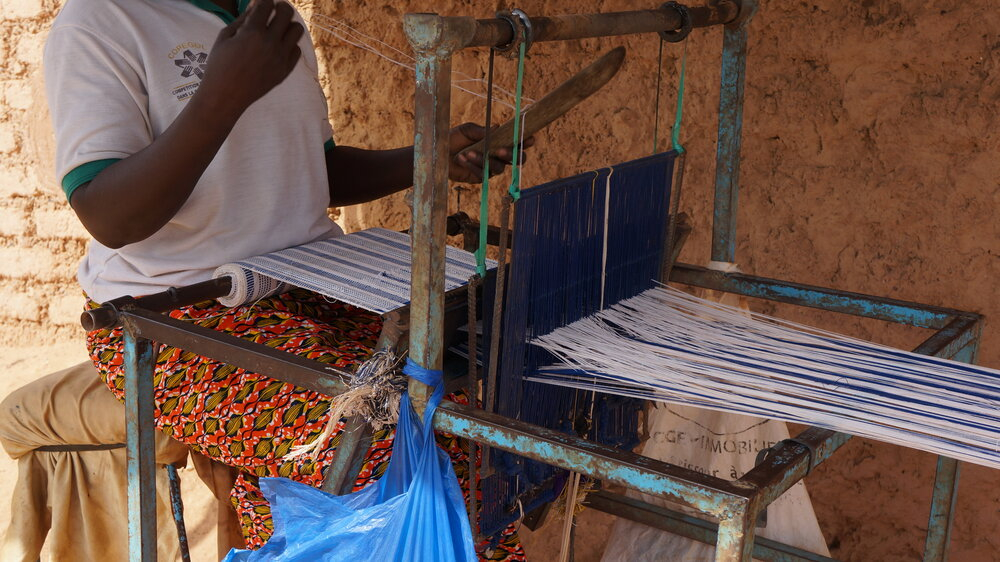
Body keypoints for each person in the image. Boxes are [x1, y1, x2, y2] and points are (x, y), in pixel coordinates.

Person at [36, 0, 530, 558]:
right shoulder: (102, 21)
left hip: (310, 285)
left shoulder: (276, 21)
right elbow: (110, 215)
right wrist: (222, 97)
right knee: (379, 446)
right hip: (171, 319)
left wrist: (428, 156)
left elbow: (311, 171)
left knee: (465, 421)